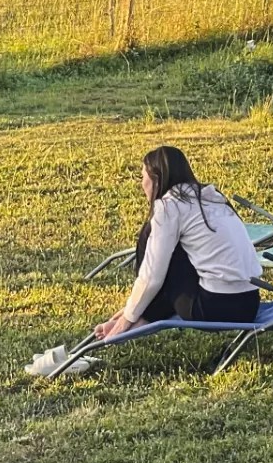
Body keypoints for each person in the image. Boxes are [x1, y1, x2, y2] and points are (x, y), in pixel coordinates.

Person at [93, 146, 263, 340]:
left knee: (164, 259)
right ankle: (140, 316)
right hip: (249, 304)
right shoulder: (213, 197)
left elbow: (152, 277)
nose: (142, 184)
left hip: (214, 309)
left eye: (143, 177)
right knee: (173, 256)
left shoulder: (170, 206)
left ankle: (139, 319)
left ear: (156, 179)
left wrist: (126, 319)